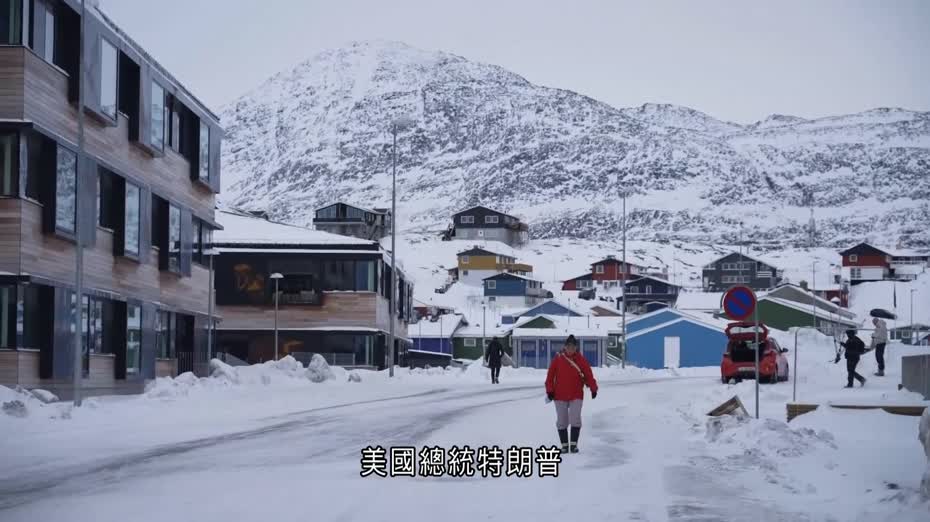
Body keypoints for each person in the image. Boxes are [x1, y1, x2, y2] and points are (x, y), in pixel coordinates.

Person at [545, 335, 598, 453]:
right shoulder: (558, 359)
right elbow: (550, 377)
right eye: (568, 346)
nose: (570, 349)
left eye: (573, 347)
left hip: (576, 394)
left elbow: (588, 375)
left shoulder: (581, 360)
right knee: (562, 421)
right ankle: (564, 445)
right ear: (565, 347)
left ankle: (573, 445)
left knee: (575, 419)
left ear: (576, 347)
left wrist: (593, 389)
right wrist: (550, 391)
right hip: (559, 395)